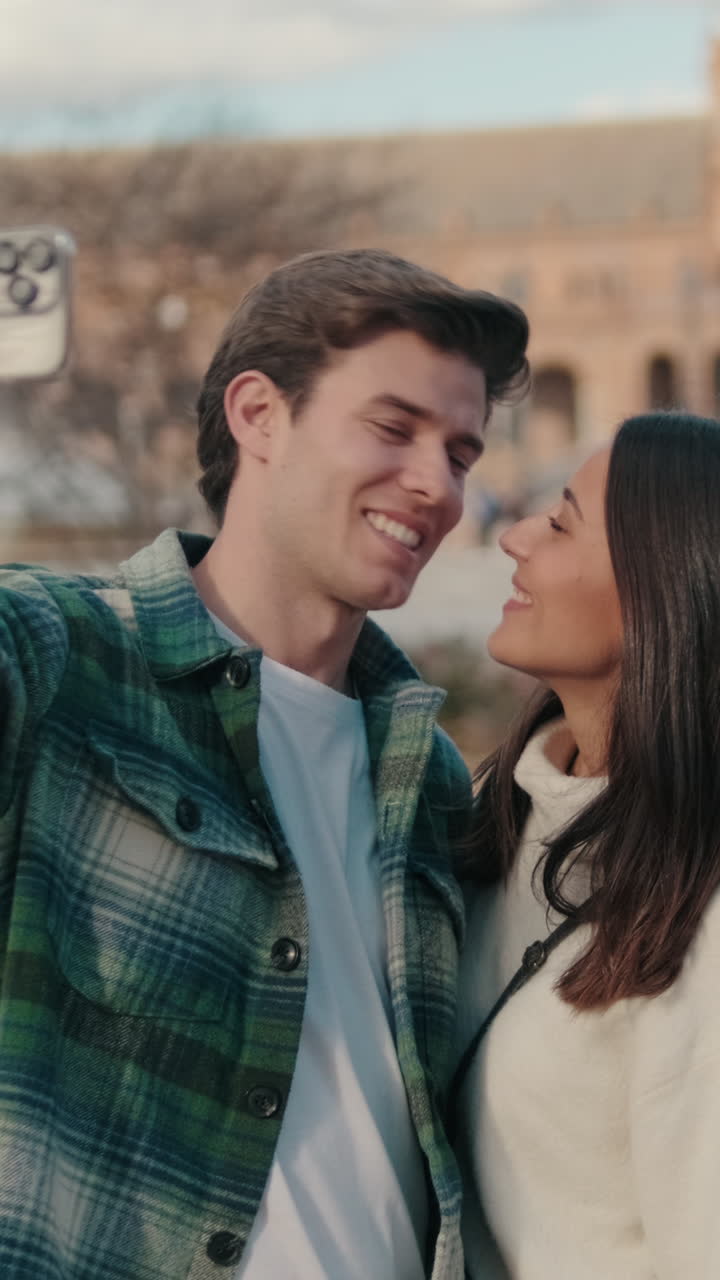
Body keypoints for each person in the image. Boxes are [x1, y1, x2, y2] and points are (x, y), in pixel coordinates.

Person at [0, 247, 529, 1280]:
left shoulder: (425, 776)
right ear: (258, 414)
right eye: (393, 427)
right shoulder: (59, 652)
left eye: (462, 453)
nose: (436, 483)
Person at [456, 410, 720, 1279]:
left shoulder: (703, 910)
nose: (516, 535)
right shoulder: (497, 807)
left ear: (663, 587)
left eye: (562, 521)